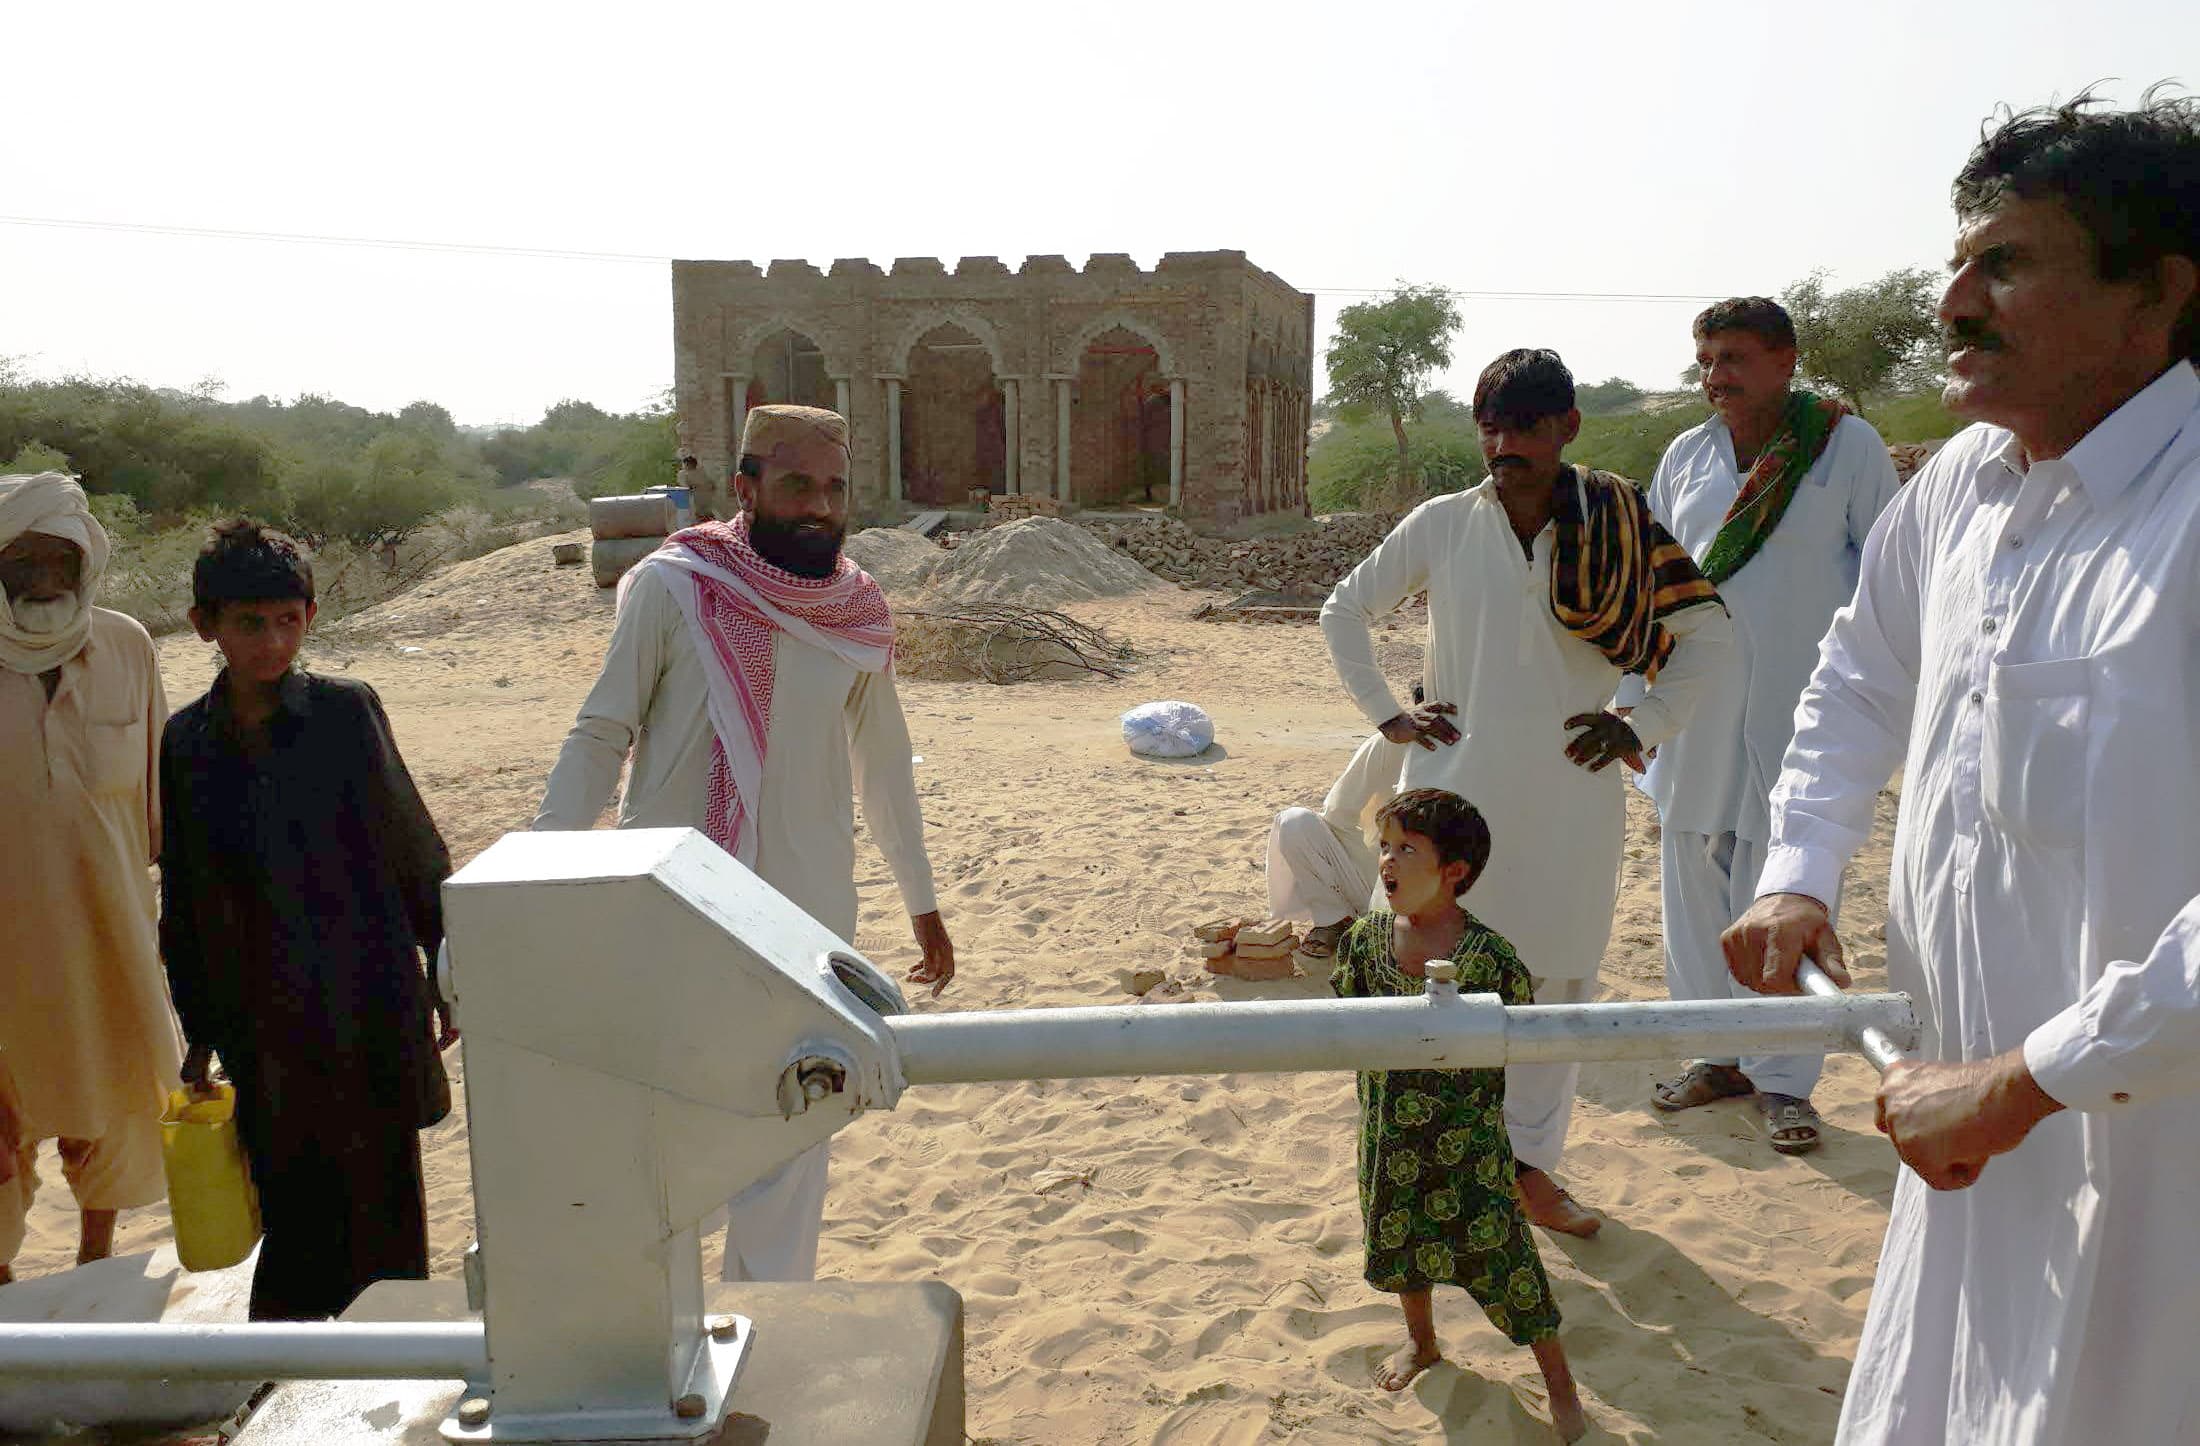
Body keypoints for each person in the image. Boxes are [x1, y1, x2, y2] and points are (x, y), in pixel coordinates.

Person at [1721, 88, 2200, 1443]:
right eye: (1958, 263)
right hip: (1966, 1154)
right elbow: (1859, 677)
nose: (1952, 304)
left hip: (2153, 1176)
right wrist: (1799, 867)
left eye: (2006, 264)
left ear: (2156, 293)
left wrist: (2023, 1080)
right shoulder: (1962, 488)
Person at [536, 404, 956, 1284]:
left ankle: (771, 1328)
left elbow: (884, 766)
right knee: (666, 1139)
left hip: (809, 917)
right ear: (746, 487)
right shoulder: (675, 585)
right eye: (798, 484)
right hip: (677, 908)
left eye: (835, 487)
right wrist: (544, 868)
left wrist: (921, 901)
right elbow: (602, 733)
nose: (819, 506)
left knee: (796, 1127)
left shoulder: (857, 609)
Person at [1323, 349, 1732, 1237]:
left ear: (1567, 428)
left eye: (1526, 428)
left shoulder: (1620, 523)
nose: (1504, 446)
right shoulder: (1443, 522)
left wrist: (1644, 725)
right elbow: (1343, 609)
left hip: (1568, 798)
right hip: (1449, 796)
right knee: (1424, 980)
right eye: (1491, 428)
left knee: (1557, 990)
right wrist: (1389, 715)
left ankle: (1531, 1175)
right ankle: (1433, 1169)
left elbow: (1707, 633)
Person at [160, 519, 454, 1321]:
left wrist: (445, 968)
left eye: (288, 620)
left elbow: (412, 845)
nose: (273, 641)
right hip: (261, 1017)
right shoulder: (187, 741)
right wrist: (200, 1024)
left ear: (311, 617)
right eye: (250, 623)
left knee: (385, 1202)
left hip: (366, 998)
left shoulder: (345, 712)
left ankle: (390, 1363)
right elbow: (184, 891)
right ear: (206, 626)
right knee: (290, 1200)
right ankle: (292, 1367)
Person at [1630, 298, 1902, 1154]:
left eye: (1736, 358)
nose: (1717, 376)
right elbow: (1655, 581)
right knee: (1691, 887)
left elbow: (1890, 580)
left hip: (1803, 714)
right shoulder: (1686, 456)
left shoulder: (1845, 448)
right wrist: (1637, 699)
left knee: (1784, 890)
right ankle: (1715, 1055)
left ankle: (1785, 1082)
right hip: (1695, 710)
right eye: (1707, 360)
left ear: (1786, 360)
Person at [1331, 787, 1586, 1440]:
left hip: (1469, 1151)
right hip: (1388, 1141)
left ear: (1454, 872)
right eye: (1384, 846)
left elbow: (1524, 1037)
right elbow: (1340, 1020)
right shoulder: (1364, 942)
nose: (1388, 861)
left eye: (1407, 850)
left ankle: (1559, 1382)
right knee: (1402, 1248)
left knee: (1508, 1262)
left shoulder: (1491, 959)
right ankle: (1422, 1344)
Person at [0, 473, 178, 1287]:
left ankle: (93, 1263)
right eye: (22, 562)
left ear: (86, 563)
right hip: (9, 961)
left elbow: (161, 809)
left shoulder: (128, 647)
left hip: (110, 944)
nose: (44, 579)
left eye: (58, 560)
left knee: (109, 1114)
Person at [1264, 690, 1414, 958]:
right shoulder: (1387, 745)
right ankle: (1335, 919)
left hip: (1442, 901)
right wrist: (1375, 871)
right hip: (1380, 881)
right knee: (1295, 823)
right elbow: (1338, 813)